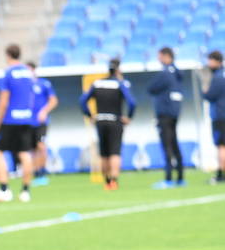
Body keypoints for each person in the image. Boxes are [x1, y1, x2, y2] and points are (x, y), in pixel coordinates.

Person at [0, 43, 38, 203]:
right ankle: (25, 191)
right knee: (24, 153)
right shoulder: (29, 74)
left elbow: (3, 101)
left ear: (7, 55)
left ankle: (4, 190)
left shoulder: (7, 74)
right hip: (26, 118)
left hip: (11, 119)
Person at [79, 57, 136, 191]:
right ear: (118, 70)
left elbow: (82, 101)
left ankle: (107, 181)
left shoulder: (97, 83)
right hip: (115, 120)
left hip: (100, 120)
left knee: (104, 153)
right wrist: (129, 117)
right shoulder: (120, 84)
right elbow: (132, 102)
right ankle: (114, 182)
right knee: (114, 152)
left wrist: (90, 115)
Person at [147, 47, 186, 188]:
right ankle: (180, 177)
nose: (159, 59)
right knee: (174, 144)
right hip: (175, 113)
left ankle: (169, 178)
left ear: (166, 56)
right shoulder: (177, 73)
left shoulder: (165, 74)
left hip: (164, 113)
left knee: (167, 145)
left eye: (160, 56)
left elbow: (151, 88)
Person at [30, 61, 58, 184]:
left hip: (40, 121)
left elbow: (53, 100)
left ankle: (42, 172)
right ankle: (35, 173)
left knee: (41, 145)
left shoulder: (43, 84)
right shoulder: (24, 85)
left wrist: (44, 111)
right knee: (31, 148)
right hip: (27, 121)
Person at [201, 49, 225, 184]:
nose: (208, 64)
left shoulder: (217, 77)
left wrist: (204, 88)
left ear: (216, 61)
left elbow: (208, 96)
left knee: (221, 146)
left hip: (220, 116)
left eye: (210, 61)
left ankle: (221, 174)